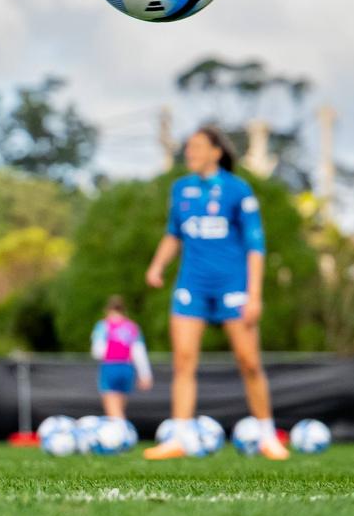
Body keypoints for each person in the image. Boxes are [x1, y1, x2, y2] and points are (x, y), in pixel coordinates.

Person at [143, 128, 289, 461]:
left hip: (233, 287)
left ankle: (268, 435)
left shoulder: (238, 190)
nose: (189, 152)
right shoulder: (181, 189)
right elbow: (173, 234)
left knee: (249, 362)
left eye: (196, 146)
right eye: (188, 146)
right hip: (191, 285)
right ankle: (179, 437)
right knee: (183, 361)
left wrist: (254, 294)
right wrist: (157, 267)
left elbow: (256, 245)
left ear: (216, 152)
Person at [90, 296, 153, 421]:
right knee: (119, 406)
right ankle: (120, 430)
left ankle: (121, 432)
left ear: (107, 310)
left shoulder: (103, 326)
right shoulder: (132, 327)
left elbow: (97, 351)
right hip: (127, 368)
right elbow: (139, 352)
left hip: (110, 367)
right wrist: (145, 375)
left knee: (112, 408)